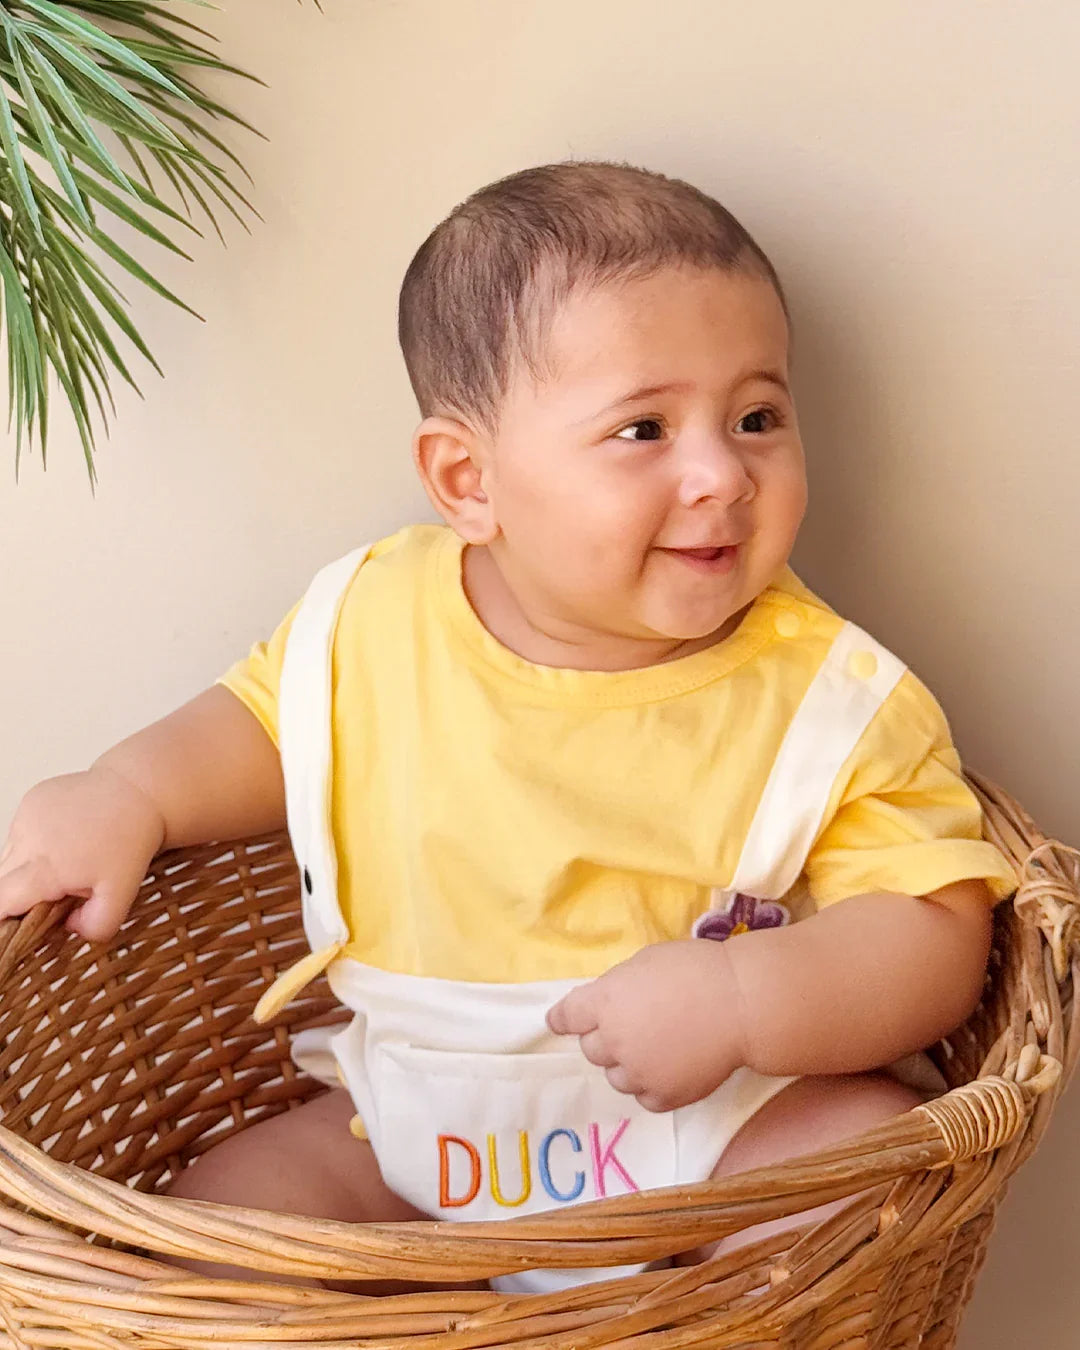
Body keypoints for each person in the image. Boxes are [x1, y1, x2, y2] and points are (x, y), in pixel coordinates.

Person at [0, 161, 1016, 1295]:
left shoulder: (835, 696)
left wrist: (744, 1002)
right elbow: (263, 730)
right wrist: (127, 792)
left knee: (866, 1173)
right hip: (415, 1140)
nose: (721, 474)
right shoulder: (374, 618)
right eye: (644, 428)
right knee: (215, 1227)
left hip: (723, 1137)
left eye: (758, 416)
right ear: (468, 479)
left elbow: (935, 937)